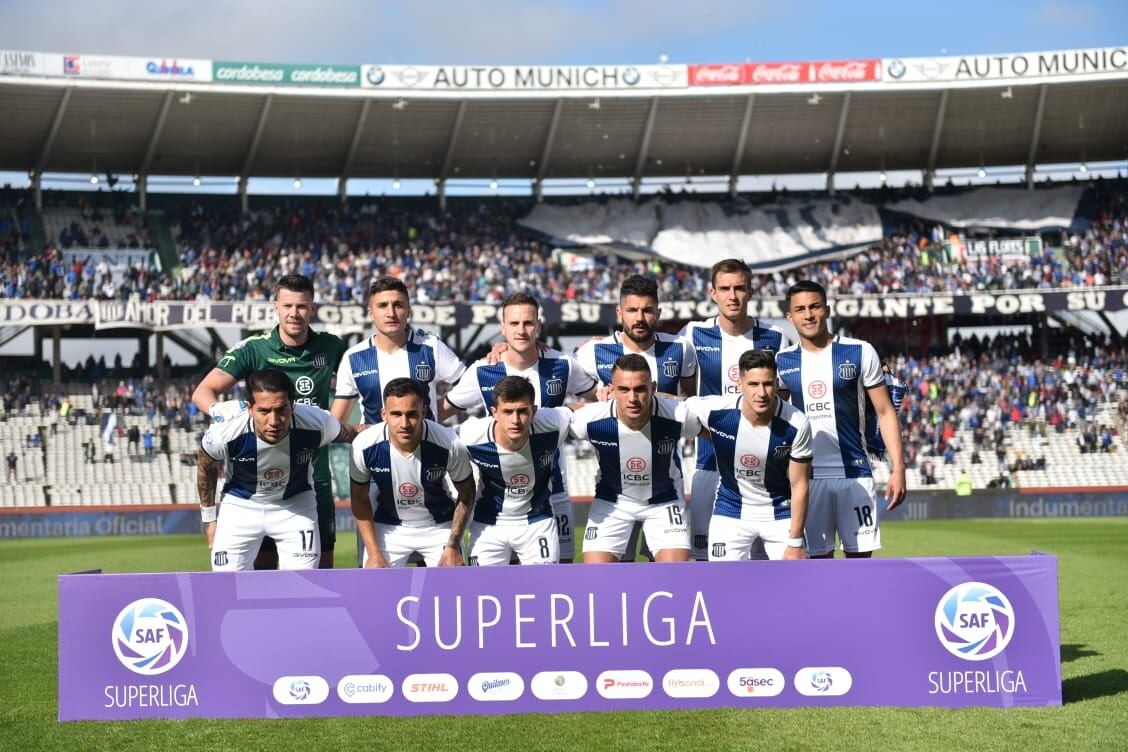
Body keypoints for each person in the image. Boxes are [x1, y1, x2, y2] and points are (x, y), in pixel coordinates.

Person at [192, 274, 347, 569]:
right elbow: (203, 392)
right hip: (259, 477)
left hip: (313, 477)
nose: (294, 313)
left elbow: (355, 387)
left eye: (302, 306)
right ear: (275, 306)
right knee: (261, 573)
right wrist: (222, 412)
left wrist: (335, 422)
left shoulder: (332, 348)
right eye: (287, 305)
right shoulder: (254, 349)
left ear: (312, 308)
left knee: (321, 571)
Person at [444, 292, 597, 562]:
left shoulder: (562, 364)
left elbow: (602, 398)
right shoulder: (483, 370)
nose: (521, 330)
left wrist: (595, 349)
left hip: (553, 492)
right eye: (513, 324)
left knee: (558, 573)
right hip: (496, 500)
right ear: (502, 328)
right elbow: (441, 410)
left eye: (528, 323)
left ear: (538, 325)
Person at [776, 280, 905, 559]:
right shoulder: (781, 361)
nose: (808, 315)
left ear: (827, 310)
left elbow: (884, 411)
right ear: (790, 317)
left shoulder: (859, 351)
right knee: (815, 569)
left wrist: (899, 467)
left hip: (855, 475)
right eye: (800, 309)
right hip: (807, 481)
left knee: (860, 568)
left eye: (814, 307)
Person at [679, 259, 794, 561]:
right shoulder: (692, 335)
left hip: (764, 477)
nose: (733, 296)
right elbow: (653, 358)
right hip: (710, 467)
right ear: (713, 293)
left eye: (739, 288)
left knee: (769, 568)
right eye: (725, 289)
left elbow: (783, 399)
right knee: (709, 565)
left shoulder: (776, 338)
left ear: (750, 292)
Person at [197, 369, 365, 572]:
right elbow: (206, 465)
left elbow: (353, 432)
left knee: (303, 583)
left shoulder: (316, 422)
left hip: (296, 506)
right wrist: (209, 520)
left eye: (282, 410)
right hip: (240, 507)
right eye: (264, 411)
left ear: (293, 406)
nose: (274, 421)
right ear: (250, 408)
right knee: (225, 583)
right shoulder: (226, 431)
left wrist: (394, 430)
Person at [570, 354, 701, 563]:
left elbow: (719, 429)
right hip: (612, 502)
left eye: (640, 389)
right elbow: (544, 424)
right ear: (611, 390)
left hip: (664, 501)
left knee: (676, 576)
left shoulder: (677, 415)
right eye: (624, 390)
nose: (632, 398)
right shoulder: (591, 419)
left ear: (653, 388)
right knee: (596, 579)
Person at [685, 349, 812, 560]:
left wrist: (796, 541)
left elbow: (800, 485)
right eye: (753, 384)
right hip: (730, 509)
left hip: (780, 512)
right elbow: (675, 404)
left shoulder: (797, 423)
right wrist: (616, 396)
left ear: (777, 384)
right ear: (739, 384)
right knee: (723, 586)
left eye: (768, 384)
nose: (761, 393)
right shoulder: (717, 411)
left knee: (795, 585)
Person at [349, 378, 476, 568]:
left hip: (438, 526)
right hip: (388, 527)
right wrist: (374, 552)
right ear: (384, 414)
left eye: (412, 414)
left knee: (452, 585)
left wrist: (452, 545)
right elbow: (359, 499)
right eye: (396, 414)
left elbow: (467, 494)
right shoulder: (364, 446)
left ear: (424, 411)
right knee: (374, 588)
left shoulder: (448, 443)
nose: (405, 423)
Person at [459, 375, 574, 566]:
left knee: (545, 590)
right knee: (480, 590)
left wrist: (606, 397)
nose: (516, 420)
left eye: (522, 411)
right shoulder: (469, 436)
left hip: (537, 521)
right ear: (494, 412)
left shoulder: (554, 423)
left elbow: (580, 413)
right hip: (488, 523)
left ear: (534, 410)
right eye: (508, 411)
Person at [332, 276, 465, 425]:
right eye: (382, 306)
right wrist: (362, 435)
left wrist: (434, 413)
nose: (391, 313)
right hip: (374, 448)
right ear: (371, 313)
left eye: (398, 305)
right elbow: (336, 423)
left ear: (408, 311)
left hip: (424, 447)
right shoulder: (353, 357)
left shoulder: (431, 347)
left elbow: (470, 385)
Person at [575, 275, 697, 400]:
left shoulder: (680, 348)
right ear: (619, 313)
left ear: (658, 314)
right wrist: (601, 396)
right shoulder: (592, 352)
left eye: (647, 310)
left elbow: (692, 400)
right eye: (632, 310)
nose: (640, 318)